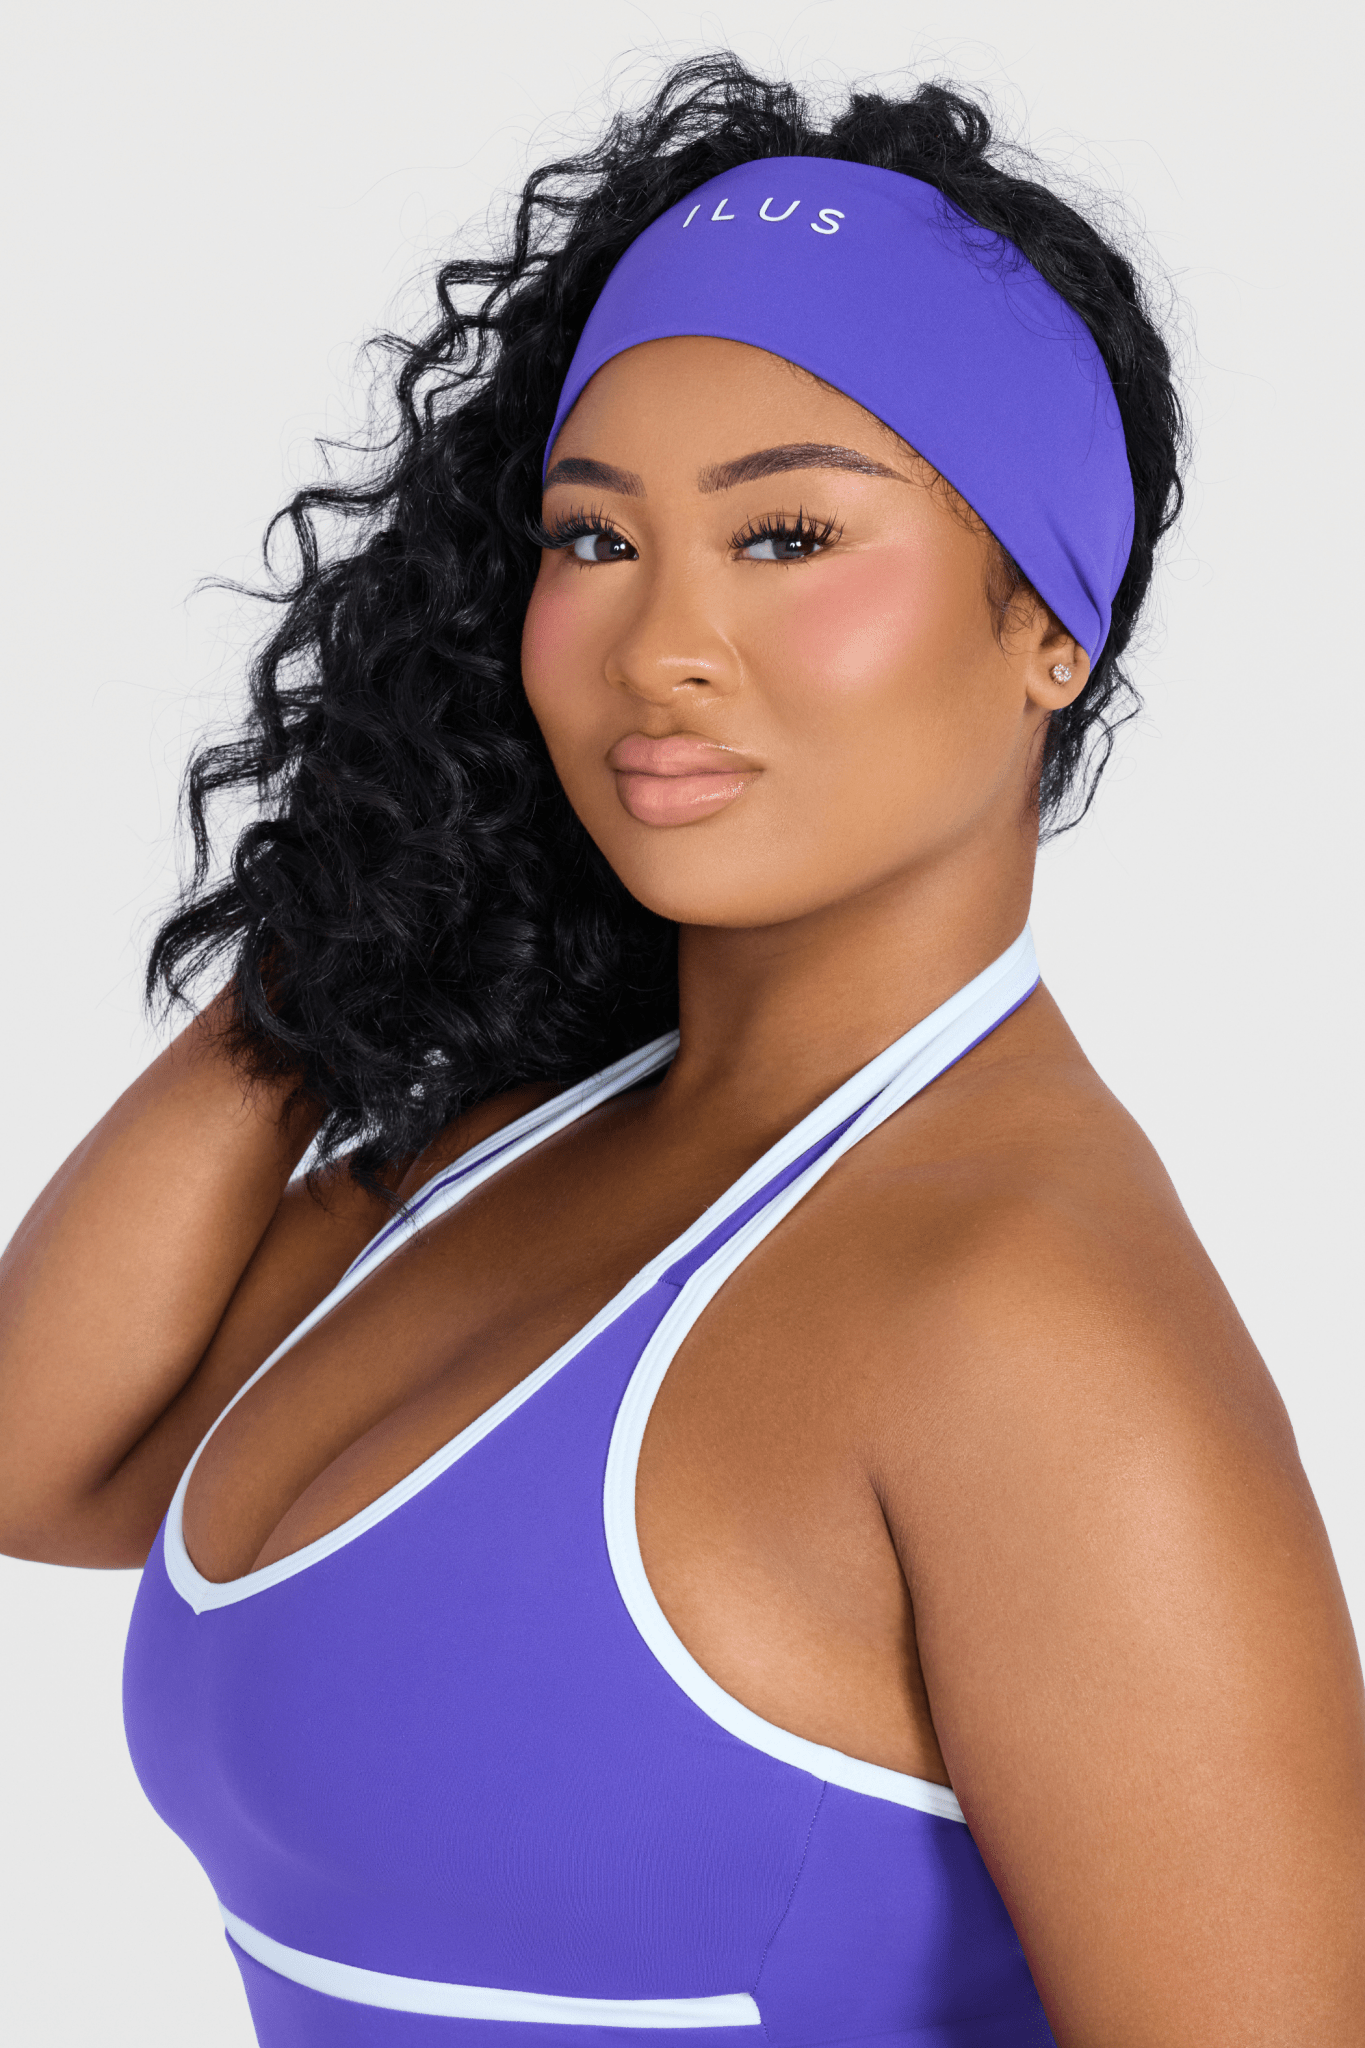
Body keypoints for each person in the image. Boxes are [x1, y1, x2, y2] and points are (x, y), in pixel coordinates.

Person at [1, 53, 1361, 2048]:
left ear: (1046, 629)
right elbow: (47, 1460)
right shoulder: (509, 1152)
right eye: (591, 539)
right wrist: (373, 863)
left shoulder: (1026, 1327)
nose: (660, 649)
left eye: (788, 535)